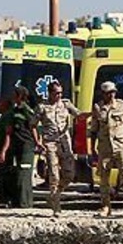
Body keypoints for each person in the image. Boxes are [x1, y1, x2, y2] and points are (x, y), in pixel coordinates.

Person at [88, 80, 123, 217]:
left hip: (121, 145)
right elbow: (93, 130)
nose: (112, 95)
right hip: (105, 146)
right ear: (103, 94)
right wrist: (92, 150)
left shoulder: (122, 105)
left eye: (113, 92)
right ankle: (106, 206)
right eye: (108, 93)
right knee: (104, 178)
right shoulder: (98, 107)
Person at [36, 80, 79, 216]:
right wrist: (38, 141)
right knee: (54, 174)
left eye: (60, 93)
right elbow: (32, 124)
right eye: (56, 93)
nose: (59, 96)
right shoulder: (42, 107)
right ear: (50, 93)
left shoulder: (66, 104)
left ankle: (56, 194)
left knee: (69, 174)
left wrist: (93, 114)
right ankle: (56, 206)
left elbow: (79, 115)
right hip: (50, 143)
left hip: (64, 143)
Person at [0, 86, 41, 209]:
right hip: (16, 146)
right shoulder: (14, 111)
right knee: (17, 174)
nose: (12, 97)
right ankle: (18, 201)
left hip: (26, 146)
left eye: (14, 94)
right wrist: (4, 151)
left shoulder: (26, 111)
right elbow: (9, 132)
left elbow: (33, 127)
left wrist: (37, 142)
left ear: (20, 96)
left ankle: (25, 203)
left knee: (24, 174)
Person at [0, 97, 15, 206]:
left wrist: (3, 151)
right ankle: (3, 198)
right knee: (1, 174)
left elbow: (8, 134)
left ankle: (5, 199)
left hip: (5, 152)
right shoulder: (3, 116)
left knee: (5, 175)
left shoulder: (8, 116)